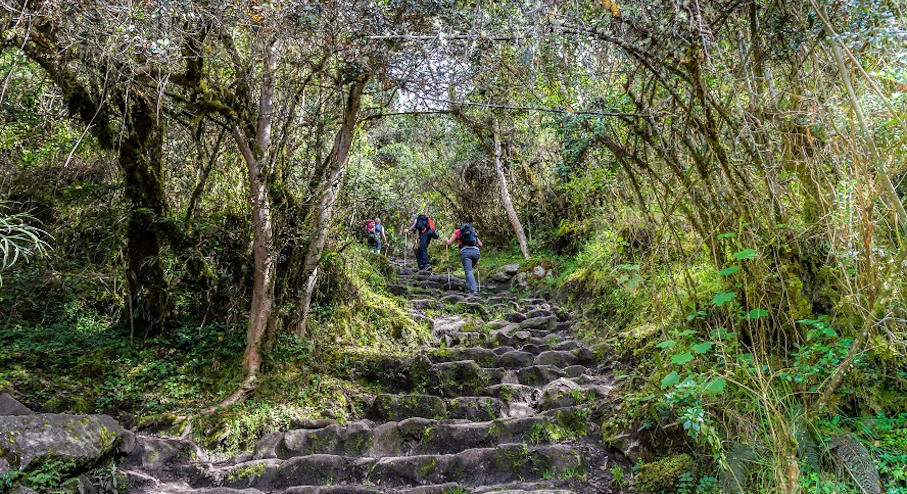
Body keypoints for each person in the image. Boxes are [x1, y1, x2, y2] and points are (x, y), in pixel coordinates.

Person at [445, 222, 483, 295]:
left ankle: (473, 290)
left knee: (468, 270)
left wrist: (446, 240)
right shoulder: (472, 231)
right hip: (476, 252)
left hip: (465, 253)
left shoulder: (458, 232)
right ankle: (469, 287)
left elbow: (449, 243)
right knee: (468, 270)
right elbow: (481, 244)